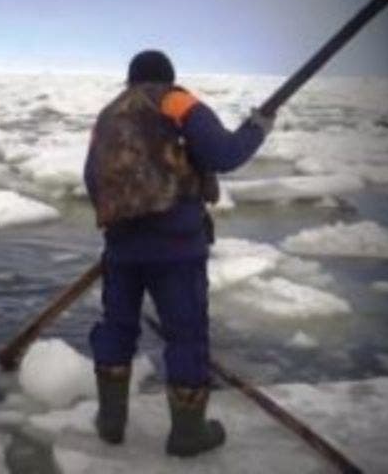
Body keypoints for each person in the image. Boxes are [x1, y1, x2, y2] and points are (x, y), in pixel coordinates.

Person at [83, 50, 274, 457]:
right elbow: (223, 155)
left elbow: (91, 177)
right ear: (168, 77)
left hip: (121, 247)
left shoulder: (108, 114)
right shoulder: (176, 101)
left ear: (129, 80)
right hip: (176, 248)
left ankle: (111, 422)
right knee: (186, 334)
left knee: (117, 328)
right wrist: (256, 128)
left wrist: (121, 224)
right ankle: (187, 433)